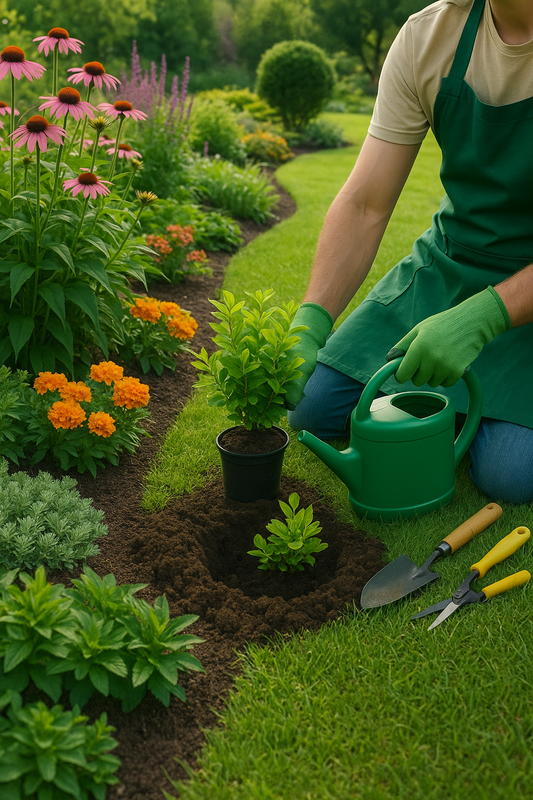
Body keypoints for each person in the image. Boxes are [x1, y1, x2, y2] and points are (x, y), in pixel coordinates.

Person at [286, 0, 533, 504]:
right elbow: (365, 204)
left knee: (509, 473)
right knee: (312, 409)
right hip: (452, 262)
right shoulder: (429, 36)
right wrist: (311, 320)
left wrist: (483, 318)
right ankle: (460, 402)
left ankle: (464, 404)